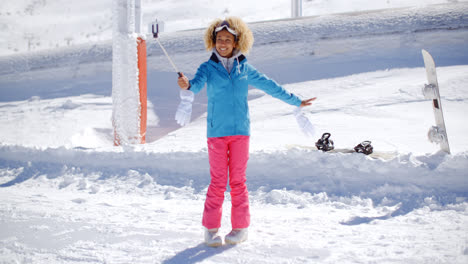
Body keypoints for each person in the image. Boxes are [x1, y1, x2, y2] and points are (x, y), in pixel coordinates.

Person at [176, 17, 316, 247]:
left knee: (238, 181)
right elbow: (195, 85)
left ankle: (240, 229)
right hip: (216, 133)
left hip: (241, 132)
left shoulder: (245, 68)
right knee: (218, 182)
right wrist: (187, 85)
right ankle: (211, 230)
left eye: (227, 39)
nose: (223, 43)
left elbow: (271, 86)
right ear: (213, 41)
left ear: (236, 41)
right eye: (219, 39)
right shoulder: (207, 68)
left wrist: (296, 101)